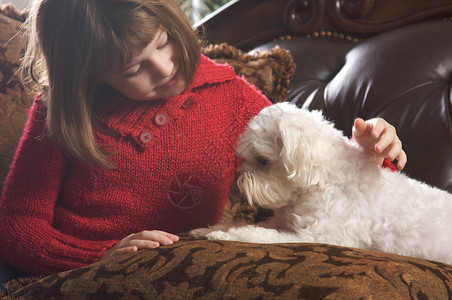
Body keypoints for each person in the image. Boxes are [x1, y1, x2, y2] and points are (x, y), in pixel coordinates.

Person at [0, 0, 407, 286]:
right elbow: (16, 227)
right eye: (133, 69)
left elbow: (320, 165)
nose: (164, 67)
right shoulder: (62, 112)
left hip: (169, 276)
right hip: (61, 274)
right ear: (91, 75)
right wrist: (100, 257)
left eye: (163, 42)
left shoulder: (230, 96)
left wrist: (375, 153)